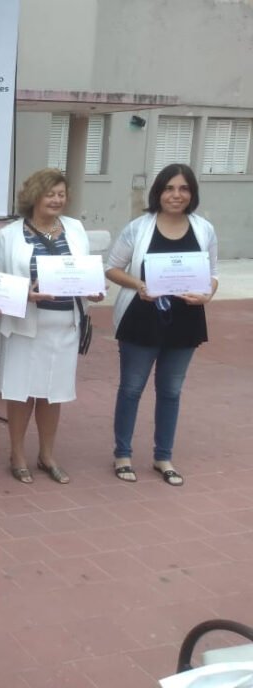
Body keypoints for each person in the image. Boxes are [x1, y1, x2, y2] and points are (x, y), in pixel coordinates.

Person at [105, 163, 217, 486]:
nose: (176, 195)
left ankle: (163, 456)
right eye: (169, 188)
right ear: (158, 192)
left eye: (183, 189)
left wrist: (208, 294)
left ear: (192, 194)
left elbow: (213, 274)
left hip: (185, 320)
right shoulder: (138, 228)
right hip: (141, 319)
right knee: (131, 389)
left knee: (171, 390)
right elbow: (112, 268)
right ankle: (123, 454)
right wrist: (139, 285)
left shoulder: (204, 229)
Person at [0, 168, 104, 484]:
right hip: (25, 325)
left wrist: (94, 291)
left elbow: (84, 272)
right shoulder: (9, 235)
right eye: (49, 194)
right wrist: (23, 294)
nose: (56, 200)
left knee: (53, 393)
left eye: (61, 194)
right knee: (21, 392)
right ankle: (17, 454)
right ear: (34, 196)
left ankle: (46, 455)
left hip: (64, 325)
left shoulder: (75, 229)